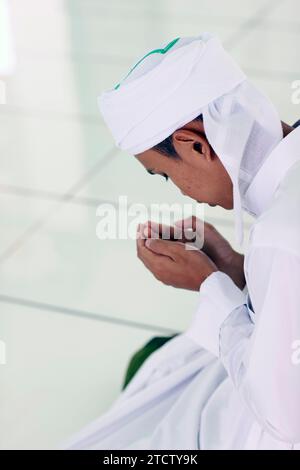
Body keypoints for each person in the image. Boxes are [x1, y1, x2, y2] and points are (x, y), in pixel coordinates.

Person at [64, 33, 300, 450]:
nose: (181, 191)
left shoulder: (280, 235)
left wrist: (212, 289)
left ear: (195, 144)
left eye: (166, 175)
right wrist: (236, 269)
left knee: (155, 383)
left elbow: (283, 415)